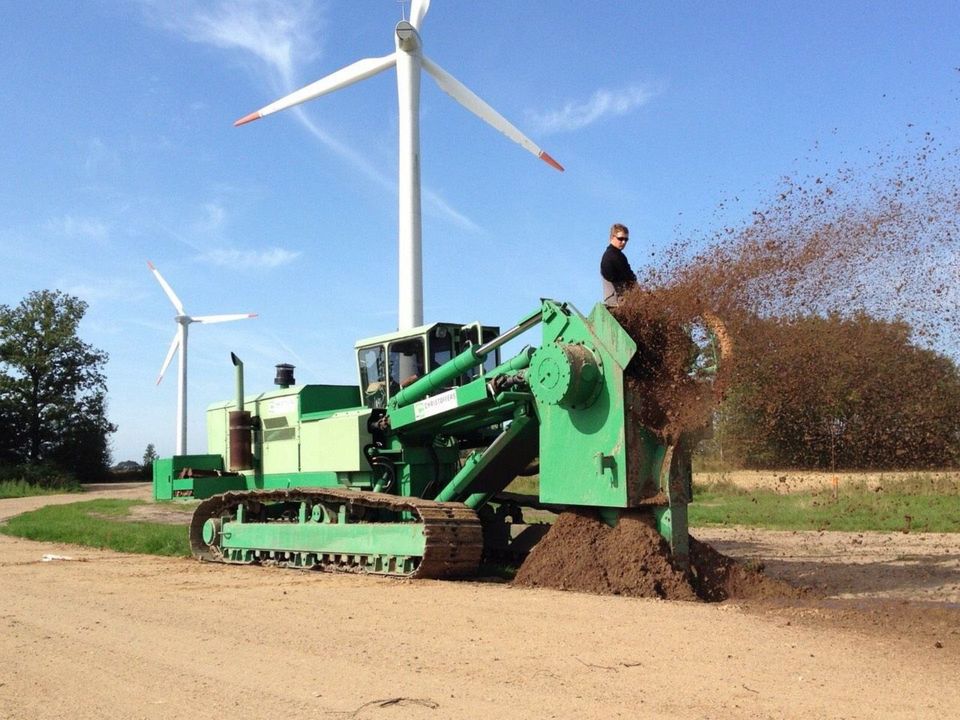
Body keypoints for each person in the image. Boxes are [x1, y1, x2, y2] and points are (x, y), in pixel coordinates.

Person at [600, 223, 637, 306]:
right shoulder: (611, 256)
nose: (623, 242)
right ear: (612, 237)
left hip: (620, 299)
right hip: (617, 301)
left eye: (626, 239)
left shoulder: (618, 255)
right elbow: (628, 278)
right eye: (620, 238)